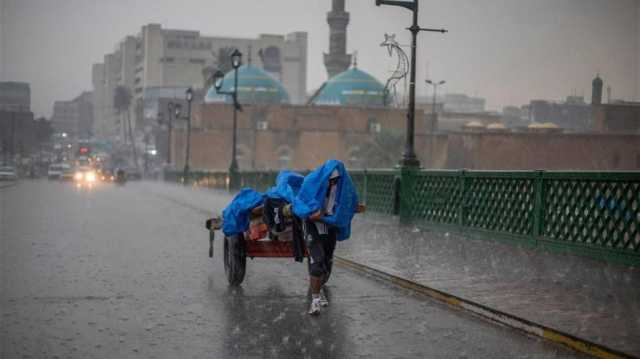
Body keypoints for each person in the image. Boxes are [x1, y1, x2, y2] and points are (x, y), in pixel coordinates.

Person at [306, 169, 340, 315]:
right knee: (317, 262)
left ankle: (320, 292)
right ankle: (314, 302)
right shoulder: (315, 189)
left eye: (336, 181)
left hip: (329, 226)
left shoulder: (338, 191)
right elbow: (306, 207)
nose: (334, 183)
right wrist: (314, 214)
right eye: (332, 181)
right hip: (313, 227)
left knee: (326, 262)